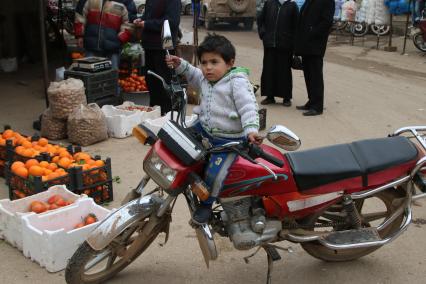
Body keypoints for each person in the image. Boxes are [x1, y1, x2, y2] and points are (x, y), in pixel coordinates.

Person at [165, 34, 263, 225]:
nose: (208, 67)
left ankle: (207, 204)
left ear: (229, 63)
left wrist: (251, 130)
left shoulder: (237, 82)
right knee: (178, 138)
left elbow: (248, 107)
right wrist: (180, 64)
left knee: (214, 173)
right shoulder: (205, 77)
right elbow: (193, 74)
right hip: (205, 129)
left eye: (214, 62)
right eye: (204, 62)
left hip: (228, 141)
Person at [133, 0, 181, 115]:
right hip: (149, 46)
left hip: (163, 47)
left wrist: (146, 24)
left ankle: (168, 114)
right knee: (151, 82)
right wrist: (141, 19)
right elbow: (148, 16)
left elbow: (172, 22)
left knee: (164, 84)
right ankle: (155, 112)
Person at [294, 0, 334, 116]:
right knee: (308, 74)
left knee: (315, 75)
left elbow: (326, 21)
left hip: (316, 44)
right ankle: (311, 101)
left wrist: (312, 31)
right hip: (306, 44)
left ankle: (317, 106)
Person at [257, 0, 299, 107]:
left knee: (284, 71)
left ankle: (286, 98)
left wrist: (294, 45)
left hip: (285, 45)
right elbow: (261, 20)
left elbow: (296, 26)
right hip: (270, 43)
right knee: (268, 70)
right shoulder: (269, 3)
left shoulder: (292, 6)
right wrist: (263, 33)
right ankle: (270, 97)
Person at [74, 0, 137, 70]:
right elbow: (80, 17)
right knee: (90, 75)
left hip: (113, 50)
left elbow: (129, 24)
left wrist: (120, 40)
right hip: (91, 46)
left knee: (111, 76)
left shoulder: (126, 1)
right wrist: (80, 36)